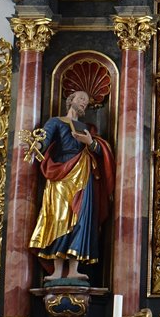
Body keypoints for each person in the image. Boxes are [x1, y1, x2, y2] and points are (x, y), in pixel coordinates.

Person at [28, 90, 115, 280]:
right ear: (71, 100)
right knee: (58, 217)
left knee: (81, 217)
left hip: (83, 174)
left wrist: (90, 142)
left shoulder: (87, 128)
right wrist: (37, 146)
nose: (84, 102)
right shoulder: (56, 122)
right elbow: (44, 140)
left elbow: (101, 150)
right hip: (61, 173)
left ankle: (74, 268)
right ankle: (57, 271)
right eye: (81, 98)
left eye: (87, 101)